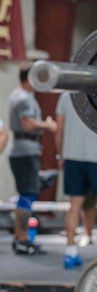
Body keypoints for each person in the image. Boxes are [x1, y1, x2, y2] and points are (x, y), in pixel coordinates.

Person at [55, 91, 97, 268]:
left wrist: (61, 154)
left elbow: (59, 128)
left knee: (74, 205)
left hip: (73, 157)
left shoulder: (66, 96)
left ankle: (70, 251)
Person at [8, 61, 57, 255]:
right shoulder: (23, 98)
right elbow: (27, 125)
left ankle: (21, 238)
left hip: (24, 149)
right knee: (27, 195)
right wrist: (48, 126)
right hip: (25, 150)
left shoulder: (19, 95)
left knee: (27, 194)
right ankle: (21, 239)